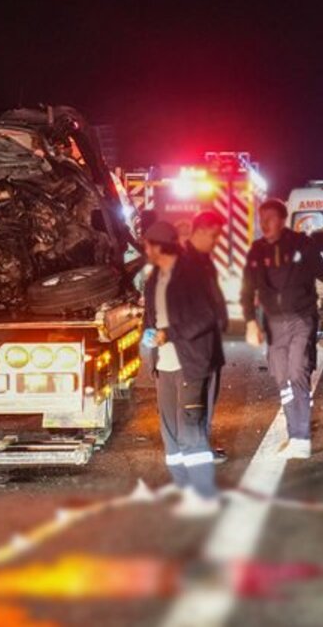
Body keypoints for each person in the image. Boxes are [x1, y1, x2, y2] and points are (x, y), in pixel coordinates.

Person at [240, 198, 323, 459]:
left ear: (282, 220)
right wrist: (250, 320)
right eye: (262, 220)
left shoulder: (303, 245)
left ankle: (300, 436)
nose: (265, 225)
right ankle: (293, 427)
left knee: (298, 370)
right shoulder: (257, 250)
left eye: (270, 219)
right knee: (282, 377)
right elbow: (247, 287)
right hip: (272, 323)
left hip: (301, 318)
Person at [141, 220, 223, 517]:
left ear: (160, 246)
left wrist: (168, 333)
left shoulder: (190, 274)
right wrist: (149, 339)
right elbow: (150, 317)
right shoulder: (153, 279)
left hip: (191, 363)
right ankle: (185, 490)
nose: (145, 250)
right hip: (164, 365)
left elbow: (206, 316)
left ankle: (204, 495)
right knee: (171, 434)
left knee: (190, 431)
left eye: (148, 245)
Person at [185, 210, 229, 463]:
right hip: (197, 345)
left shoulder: (202, 259)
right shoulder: (186, 262)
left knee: (206, 397)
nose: (217, 241)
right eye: (214, 235)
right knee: (197, 400)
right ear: (200, 231)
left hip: (208, 342)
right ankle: (196, 449)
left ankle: (200, 445)